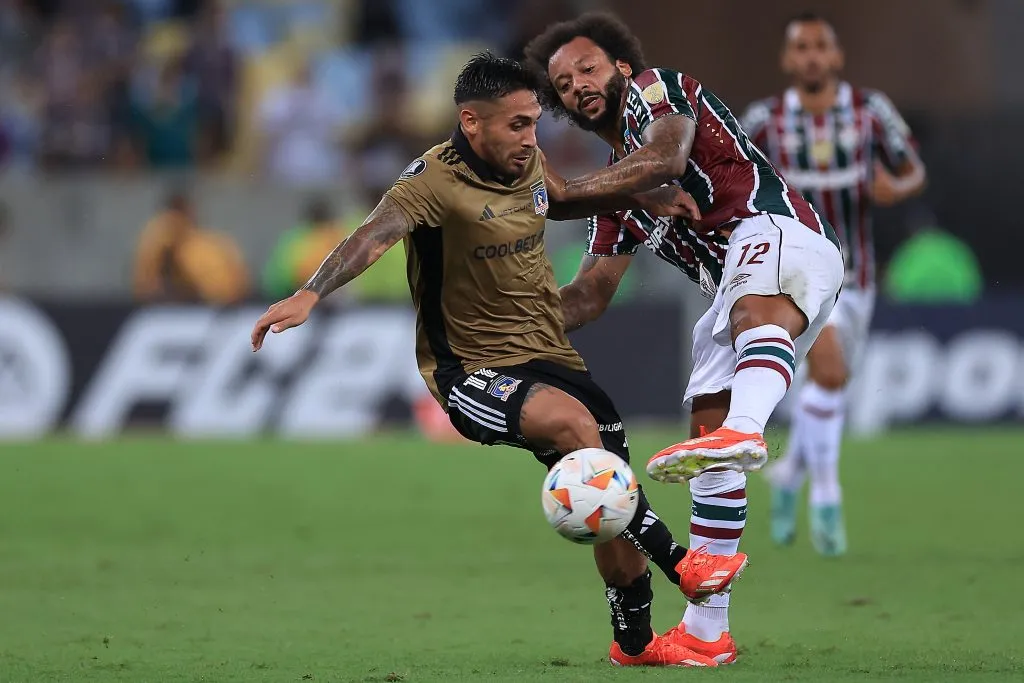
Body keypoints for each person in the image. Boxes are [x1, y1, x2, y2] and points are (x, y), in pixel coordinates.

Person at [250, 53, 745, 668]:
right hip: (471, 371)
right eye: (516, 125)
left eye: (534, 122)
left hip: (550, 354)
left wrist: (646, 194)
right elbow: (371, 236)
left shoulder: (528, 161)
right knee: (579, 437)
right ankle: (686, 564)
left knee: (607, 500)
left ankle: (636, 644)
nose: (530, 138)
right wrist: (311, 292)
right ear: (471, 122)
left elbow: (559, 198)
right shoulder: (431, 181)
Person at [524, 12, 845, 663]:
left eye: (587, 67)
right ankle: (707, 633)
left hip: (782, 236)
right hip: (737, 293)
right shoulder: (616, 190)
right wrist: (509, 325)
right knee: (708, 438)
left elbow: (666, 157)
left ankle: (750, 425)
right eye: (562, 82)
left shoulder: (657, 90)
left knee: (747, 302)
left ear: (617, 67)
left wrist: (559, 196)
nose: (577, 83)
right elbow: (589, 294)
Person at [741, 12, 927, 555]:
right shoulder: (765, 120)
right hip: (798, 270)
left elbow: (913, 167)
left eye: (821, 46)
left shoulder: (869, 111)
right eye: (802, 47)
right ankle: (827, 495)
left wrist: (898, 185)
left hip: (860, 272)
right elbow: (731, 172)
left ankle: (789, 473)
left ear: (837, 56)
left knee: (831, 385)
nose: (812, 56)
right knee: (830, 371)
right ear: (787, 60)